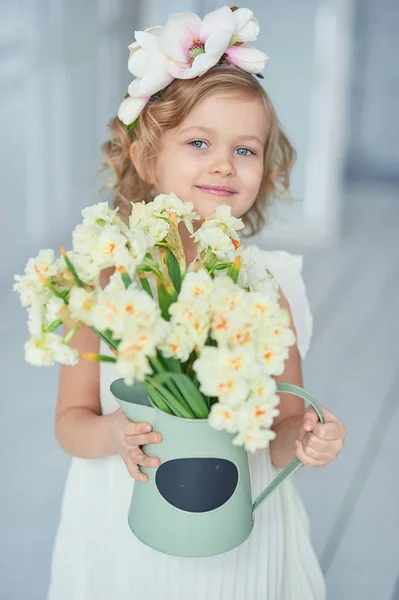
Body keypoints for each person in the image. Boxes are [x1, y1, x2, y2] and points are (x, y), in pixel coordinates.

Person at [47, 6, 346, 599]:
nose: (222, 163)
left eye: (245, 150)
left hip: (239, 524)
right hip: (124, 517)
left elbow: (283, 424)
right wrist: (110, 435)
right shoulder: (103, 280)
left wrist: (307, 439)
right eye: (199, 141)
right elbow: (70, 422)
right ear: (143, 156)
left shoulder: (264, 287)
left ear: (266, 164)